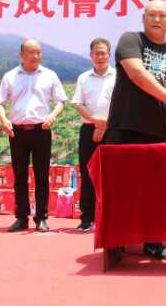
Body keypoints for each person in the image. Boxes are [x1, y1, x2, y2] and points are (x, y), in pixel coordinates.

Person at [104, 0, 166, 260]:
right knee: (120, 188)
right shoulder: (131, 40)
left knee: (156, 190)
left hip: (159, 131)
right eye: (152, 15)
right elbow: (137, 74)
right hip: (125, 127)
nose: (157, 19)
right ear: (143, 18)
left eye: (162, 15)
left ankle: (153, 241)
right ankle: (115, 240)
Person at [0, 39, 68, 233]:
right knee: (20, 176)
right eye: (31, 52)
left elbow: (61, 100)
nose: (36, 56)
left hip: (41, 130)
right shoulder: (10, 76)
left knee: (42, 176)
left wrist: (52, 116)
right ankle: (21, 217)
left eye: (38, 52)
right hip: (17, 132)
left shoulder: (49, 75)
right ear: (21, 55)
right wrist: (4, 120)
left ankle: (41, 218)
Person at [71, 37, 116, 233]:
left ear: (109, 55)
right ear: (91, 55)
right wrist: (95, 121)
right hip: (89, 130)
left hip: (113, 130)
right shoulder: (83, 78)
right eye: (96, 53)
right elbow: (78, 103)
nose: (100, 57)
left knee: (113, 175)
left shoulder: (119, 76)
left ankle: (111, 217)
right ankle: (87, 217)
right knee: (88, 173)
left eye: (103, 53)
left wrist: (104, 125)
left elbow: (120, 105)